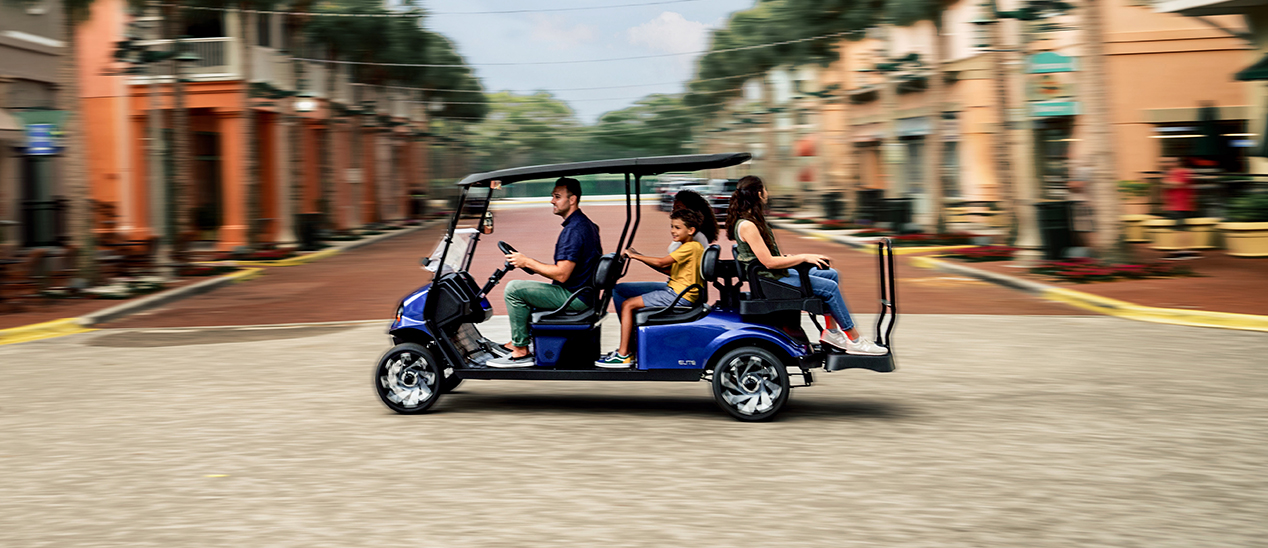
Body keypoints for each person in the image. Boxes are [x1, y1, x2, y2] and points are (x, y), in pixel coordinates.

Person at [726, 175, 887, 355]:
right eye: (765, 189)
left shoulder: (754, 220)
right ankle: (854, 340)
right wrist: (803, 258)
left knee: (831, 274)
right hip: (769, 281)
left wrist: (800, 257)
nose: (767, 193)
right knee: (830, 287)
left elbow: (768, 257)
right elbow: (769, 262)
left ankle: (832, 332)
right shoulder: (748, 225)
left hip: (775, 276)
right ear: (758, 193)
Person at [487, 178, 602, 368]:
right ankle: (519, 341)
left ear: (572, 200)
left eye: (557, 197)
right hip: (582, 292)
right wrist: (528, 264)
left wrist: (527, 261)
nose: (552, 201)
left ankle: (521, 350)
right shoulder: (585, 224)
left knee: (514, 289)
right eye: (552, 196)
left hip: (575, 296)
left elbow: (562, 274)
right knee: (527, 290)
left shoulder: (574, 230)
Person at [595, 209, 706, 368]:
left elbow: (662, 262)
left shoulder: (690, 247)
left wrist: (635, 255)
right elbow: (668, 270)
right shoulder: (689, 247)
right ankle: (629, 346)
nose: (673, 231)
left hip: (678, 295)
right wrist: (640, 256)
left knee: (628, 305)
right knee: (623, 293)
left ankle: (624, 354)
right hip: (677, 291)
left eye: (677, 228)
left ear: (691, 230)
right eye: (672, 227)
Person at [612, 189, 717, 312]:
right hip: (676, 286)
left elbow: (669, 268)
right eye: (673, 208)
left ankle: (629, 330)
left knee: (619, 290)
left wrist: (639, 257)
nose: (673, 211)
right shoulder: (687, 235)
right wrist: (641, 257)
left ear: (690, 211)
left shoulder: (694, 240)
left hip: (679, 290)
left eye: (678, 207)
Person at [1160, 157, 1200, 259]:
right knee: (1178, 228)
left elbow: (1178, 184)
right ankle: (1181, 250)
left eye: (1168, 161)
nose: (1165, 163)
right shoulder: (1170, 173)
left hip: (1181, 205)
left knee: (1181, 228)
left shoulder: (1183, 172)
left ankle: (1184, 250)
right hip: (1173, 205)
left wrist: (1164, 182)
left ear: (1177, 163)